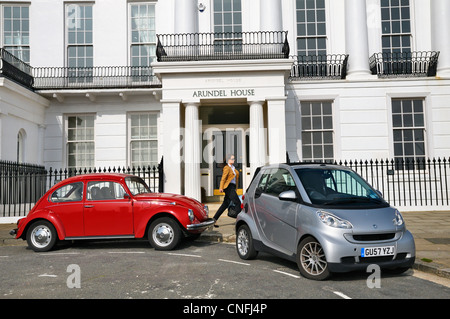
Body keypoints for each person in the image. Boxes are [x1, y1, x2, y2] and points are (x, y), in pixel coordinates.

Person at [213, 154, 240, 227]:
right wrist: (221, 187)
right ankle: (239, 220)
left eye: (234, 159)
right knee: (238, 202)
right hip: (228, 187)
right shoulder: (227, 168)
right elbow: (223, 178)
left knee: (225, 204)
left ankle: (214, 220)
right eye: (232, 159)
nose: (233, 160)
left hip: (232, 187)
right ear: (228, 160)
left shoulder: (233, 168)